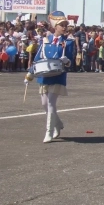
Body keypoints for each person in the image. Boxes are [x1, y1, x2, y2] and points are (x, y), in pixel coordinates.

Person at [24, 11, 74, 143]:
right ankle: (57, 124)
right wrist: (30, 74)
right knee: (44, 104)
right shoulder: (46, 40)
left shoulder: (68, 42)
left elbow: (70, 62)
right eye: (61, 25)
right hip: (44, 75)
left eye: (65, 25)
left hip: (58, 75)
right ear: (55, 27)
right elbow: (37, 58)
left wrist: (66, 61)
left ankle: (49, 132)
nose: (64, 27)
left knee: (51, 103)